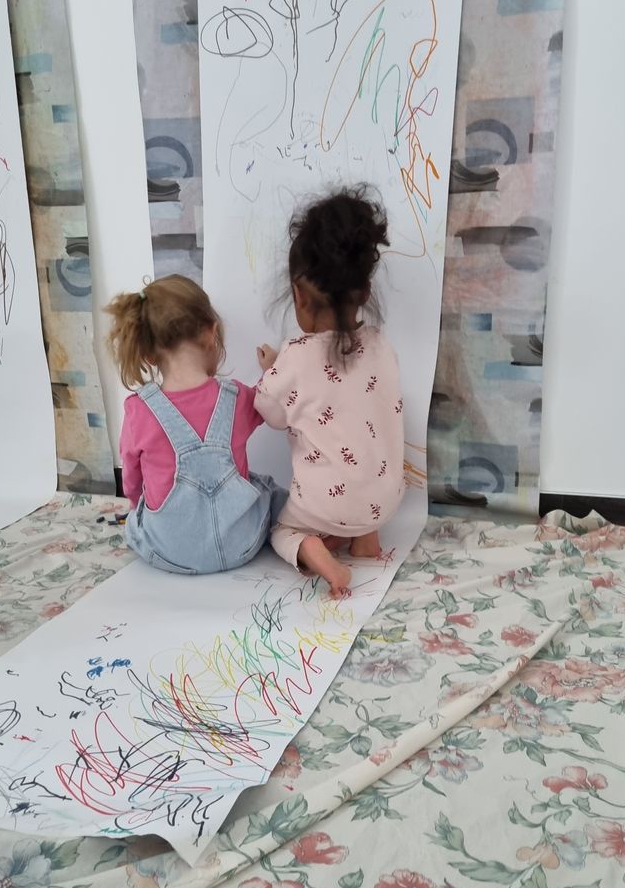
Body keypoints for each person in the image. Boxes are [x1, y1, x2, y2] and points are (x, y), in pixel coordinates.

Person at [254, 188, 405, 596]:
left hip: (325, 506)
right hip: (385, 502)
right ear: (365, 292)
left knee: (280, 529)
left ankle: (317, 554)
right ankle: (366, 538)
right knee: (362, 459)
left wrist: (272, 369)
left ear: (299, 296)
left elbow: (269, 409)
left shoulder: (295, 356)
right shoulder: (381, 345)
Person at [106, 274, 281, 575]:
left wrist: (137, 506)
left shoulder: (138, 410)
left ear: (148, 354)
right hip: (242, 545)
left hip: (168, 552)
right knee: (268, 490)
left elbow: (132, 482)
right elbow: (270, 403)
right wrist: (272, 372)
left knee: (138, 519)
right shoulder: (237, 398)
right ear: (211, 333)